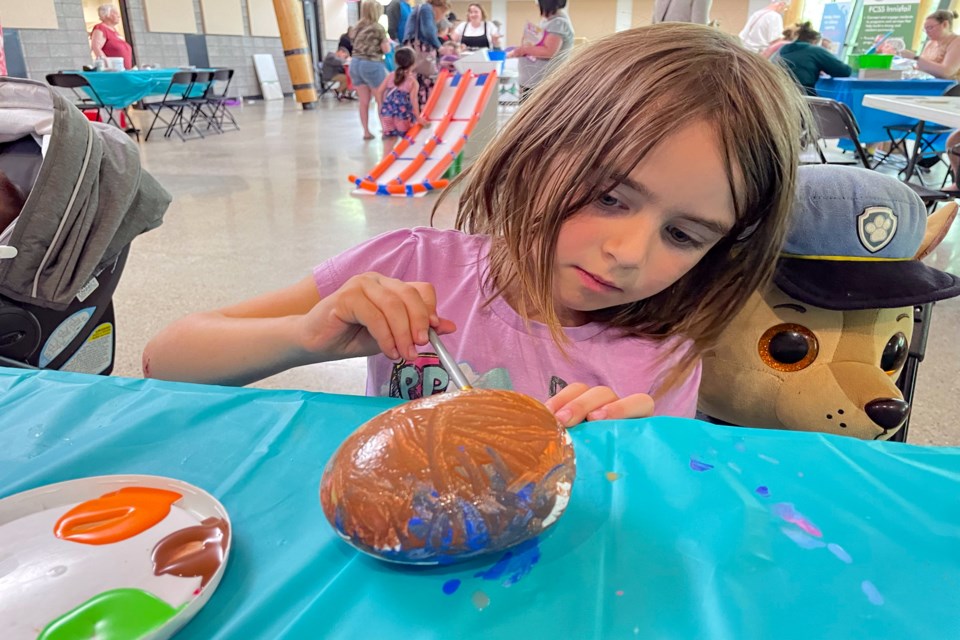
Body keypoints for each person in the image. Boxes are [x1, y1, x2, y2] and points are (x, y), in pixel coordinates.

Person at [142, 24, 807, 426]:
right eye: (608, 196)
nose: (627, 252)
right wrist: (304, 336)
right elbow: (166, 360)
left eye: (684, 235)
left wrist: (626, 465)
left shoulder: (662, 354)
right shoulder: (410, 266)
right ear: (539, 147)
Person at [508, 0, 575, 100]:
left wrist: (523, 50)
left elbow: (549, 52)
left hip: (541, 82)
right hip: (533, 82)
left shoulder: (558, 22)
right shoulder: (549, 21)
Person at [349, 0, 391, 140]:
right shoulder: (378, 28)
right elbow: (386, 49)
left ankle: (366, 132)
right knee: (381, 99)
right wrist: (389, 45)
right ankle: (386, 129)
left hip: (355, 63)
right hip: (371, 64)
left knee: (363, 101)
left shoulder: (356, 27)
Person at [775, 21, 851, 95]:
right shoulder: (815, 51)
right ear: (814, 41)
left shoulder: (782, 51)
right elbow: (844, 71)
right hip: (804, 97)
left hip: (780, 95)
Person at [403, 0, 451, 109]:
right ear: (440, 8)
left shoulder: (420, 9)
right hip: (422, 51)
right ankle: (424, 111)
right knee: (425, 81)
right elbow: (428, 31)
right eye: (444, 13)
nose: (441, 18)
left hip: (413, 51)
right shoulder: (426, 9)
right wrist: (440, 47)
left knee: (415, 81)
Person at [379, 46, 428, 137]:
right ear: (413, 63)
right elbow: (414, 101)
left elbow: (379, 91)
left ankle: (388, 152)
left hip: (387, 113)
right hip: (403, 114)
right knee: (406, 140)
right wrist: (418, 117)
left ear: (396, 62)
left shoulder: (391, 76)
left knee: (389, 140)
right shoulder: (412, 81)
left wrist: (381, 105)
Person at [899, 10, 960, 79]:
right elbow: (922, 67)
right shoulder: (931, 43)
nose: (927, 32)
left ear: (945, 24)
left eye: (930, 28)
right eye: (925, 30)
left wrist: (915, 58)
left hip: (951, 87)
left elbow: (946, 72)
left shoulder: (957, 42)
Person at [90, 4, 133, 70]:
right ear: (107, 15)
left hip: (124, 71)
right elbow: (96, 47)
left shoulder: (115, 31)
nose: (119, 16)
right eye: (115, 13)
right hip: (114, 71)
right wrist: (108, 66)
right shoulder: (101, 28)